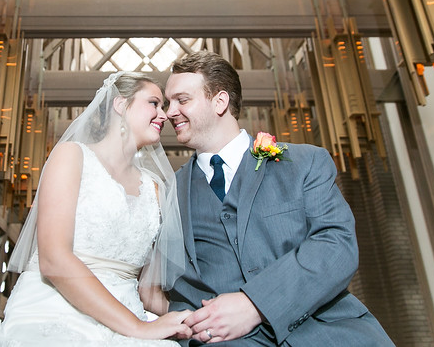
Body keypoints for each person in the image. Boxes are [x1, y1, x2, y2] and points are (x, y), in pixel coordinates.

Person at [164, 51, 393, 346]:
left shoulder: (304, 162)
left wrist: (256, 304)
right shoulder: (170, 190)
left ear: (220, 102)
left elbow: (336, 244)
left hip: (326, 333)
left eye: (182, 100)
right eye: (169, 102)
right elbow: (177, 285)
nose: (169, 112)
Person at [0, 72, 192, 346]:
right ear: (121, 105)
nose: (164, 115)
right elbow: (53, 260)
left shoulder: (154, 189)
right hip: (55, 310)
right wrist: (139, 327)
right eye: (154, 103)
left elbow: (148, 290)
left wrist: (196, 317)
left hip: (128, 319)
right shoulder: (71, 157)